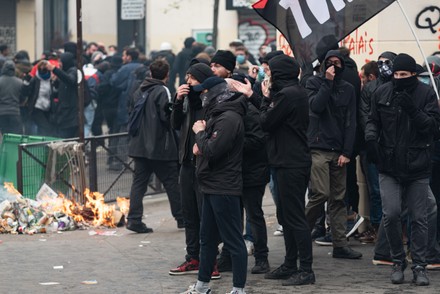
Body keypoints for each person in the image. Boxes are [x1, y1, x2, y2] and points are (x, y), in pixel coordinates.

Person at [365, 53, 440, 286]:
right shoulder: (382, 92)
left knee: (420, 218)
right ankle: (397, 261)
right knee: (392, 213)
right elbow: (372, 121)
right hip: (389, 165)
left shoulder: (426, 94)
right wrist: (370, 139)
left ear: (413, 75)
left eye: (404, 75)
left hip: (417, 165)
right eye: (396, 75)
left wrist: (413, 110)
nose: (399, 78)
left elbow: (432, 128)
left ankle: (419, 265)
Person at [181, 76, 247, 294]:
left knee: (233, 240)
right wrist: (202, 142)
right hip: (211, 184)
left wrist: (200, 134)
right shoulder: (219, 115)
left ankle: (238, 288)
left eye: (204, 92)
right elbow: (209, 147)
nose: (202, 96)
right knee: (207, 239)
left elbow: (212, 150)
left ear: (215, 93)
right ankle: (202, 286)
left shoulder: (228, 118)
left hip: (224, 186)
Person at [260, 54, 315, 285]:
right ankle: (290, 263)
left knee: (294, 217)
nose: (267, 76)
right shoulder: (292, 92)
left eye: (270, 72)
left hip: (290, 162)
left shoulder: (287, 94)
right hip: (288, 160)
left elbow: (266, 122)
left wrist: (264, 98)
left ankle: (305, 269)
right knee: (286, 215)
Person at [305, 49, 362, 259]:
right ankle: (300, 233)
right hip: (318, 148)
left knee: (338, 199)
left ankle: (340, 244)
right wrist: (327, 83)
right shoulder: (313, 83)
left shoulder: (347, 89)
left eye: (338, 63)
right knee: (320, 193)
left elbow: (351, 121)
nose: (333, 66)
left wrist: (347, 152)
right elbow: (316, 107)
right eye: (330, 62)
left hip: (338, 150)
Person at [169, 62, 220, 279]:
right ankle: (193, 257)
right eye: (187, 78)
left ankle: (211, 261)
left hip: (205, 165)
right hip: (187, 164)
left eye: (192, 79)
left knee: (205, 215)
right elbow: (174, 124)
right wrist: (178, 100)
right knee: (189, 213)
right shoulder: (187, 101)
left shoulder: (212, 101)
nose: (188, 82)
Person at [126, 59, 183, 233]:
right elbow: (167, 117)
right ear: (167, 74)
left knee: (139, 184)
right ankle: (182, 218)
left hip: (139, 145)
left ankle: (134, 219)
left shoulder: (139, 89)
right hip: (159, 146)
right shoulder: (162, 90)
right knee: (172, 182)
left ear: (150, 72)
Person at [46, 52, 78, 138]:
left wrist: (55, 69)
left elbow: (70, 80)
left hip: (70, 116)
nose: (59, 64)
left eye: (61, 61)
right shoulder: (65, 72)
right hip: (63, 115)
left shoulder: (73, 71)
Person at [0, 60, 24, 135]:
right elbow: (23, 98)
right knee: (15, 136)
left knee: (5, 135)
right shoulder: (20, 82)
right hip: (15, 112)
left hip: (2, 113)